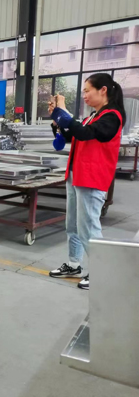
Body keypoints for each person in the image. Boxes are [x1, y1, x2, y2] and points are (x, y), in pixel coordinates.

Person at [48, 73, 126, 290]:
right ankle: (74, 264)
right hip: (77, 175)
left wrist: (64, 114)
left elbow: (86, 133)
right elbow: (72, 136)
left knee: (89, 227)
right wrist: (57, 122)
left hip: (92, 177)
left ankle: (102, 273)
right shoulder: (93, 116)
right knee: (73, 225)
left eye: (87, 90)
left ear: (103, 90)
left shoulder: (112, 117)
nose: (84, 95)